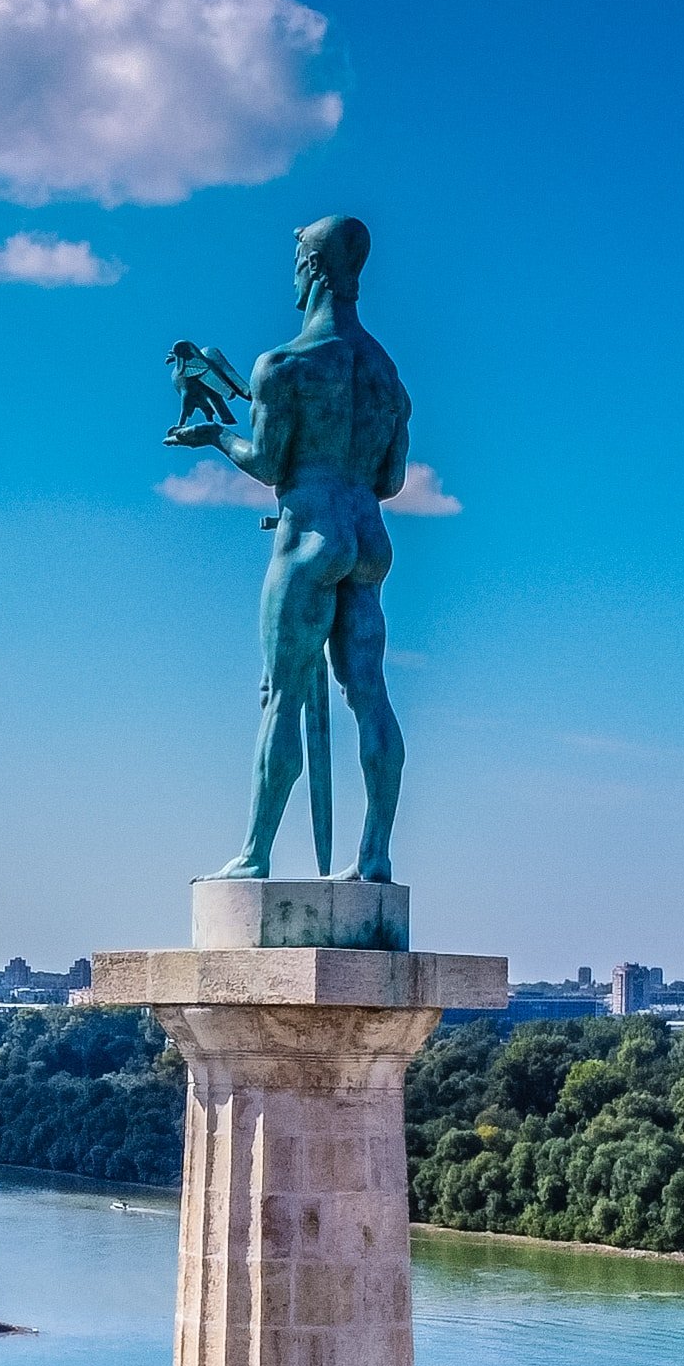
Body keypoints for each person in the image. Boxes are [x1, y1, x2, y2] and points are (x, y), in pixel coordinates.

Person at [164, 215, 414, 882]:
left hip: (309, 536)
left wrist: (215, 439)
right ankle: (376, 853)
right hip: (367, 537)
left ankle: (254, 854)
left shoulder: (284, 365)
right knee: (370, 692)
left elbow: (271, 463)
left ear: (312, 269)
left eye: (296, 260)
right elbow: (390, 480)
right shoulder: (389, 379)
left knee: (281, 694)